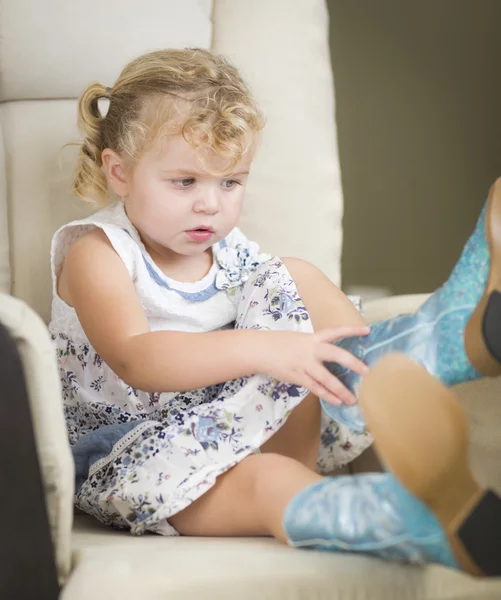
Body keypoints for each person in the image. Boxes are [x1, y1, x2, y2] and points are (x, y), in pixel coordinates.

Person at [49, 48, 499, 575]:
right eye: (185, 182)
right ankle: (421, 521)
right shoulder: (98, 252)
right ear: (120, 173)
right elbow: (136, 357)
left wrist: (288, 346)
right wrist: (269, 348)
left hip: (263, 420)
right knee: (268, 484)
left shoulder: (233, 252)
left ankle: (433, 345)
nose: (210, 205)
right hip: (140, 457)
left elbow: (289, 324)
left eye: (230, 182)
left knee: (292, 274)